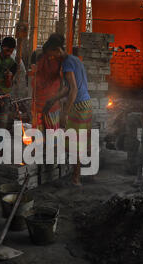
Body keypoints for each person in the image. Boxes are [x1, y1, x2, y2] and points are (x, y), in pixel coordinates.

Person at [42, 36, 92, 186]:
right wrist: (53, 99)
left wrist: (65, 113)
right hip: (86, 104)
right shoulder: (74, 59)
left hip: (78, 106)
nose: (52, 59)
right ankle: (89, 173)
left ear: (58, 50)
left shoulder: (67, 63)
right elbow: (68, 87)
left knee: (76, 142)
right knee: (82, 140)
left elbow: (74, 90)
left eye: (52, 55)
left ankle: (76, 179)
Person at [30, 33, 64, 132]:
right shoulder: (43, 57)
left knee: (48, 135)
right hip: (40, 104)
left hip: (50, 105)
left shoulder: (61, 61)